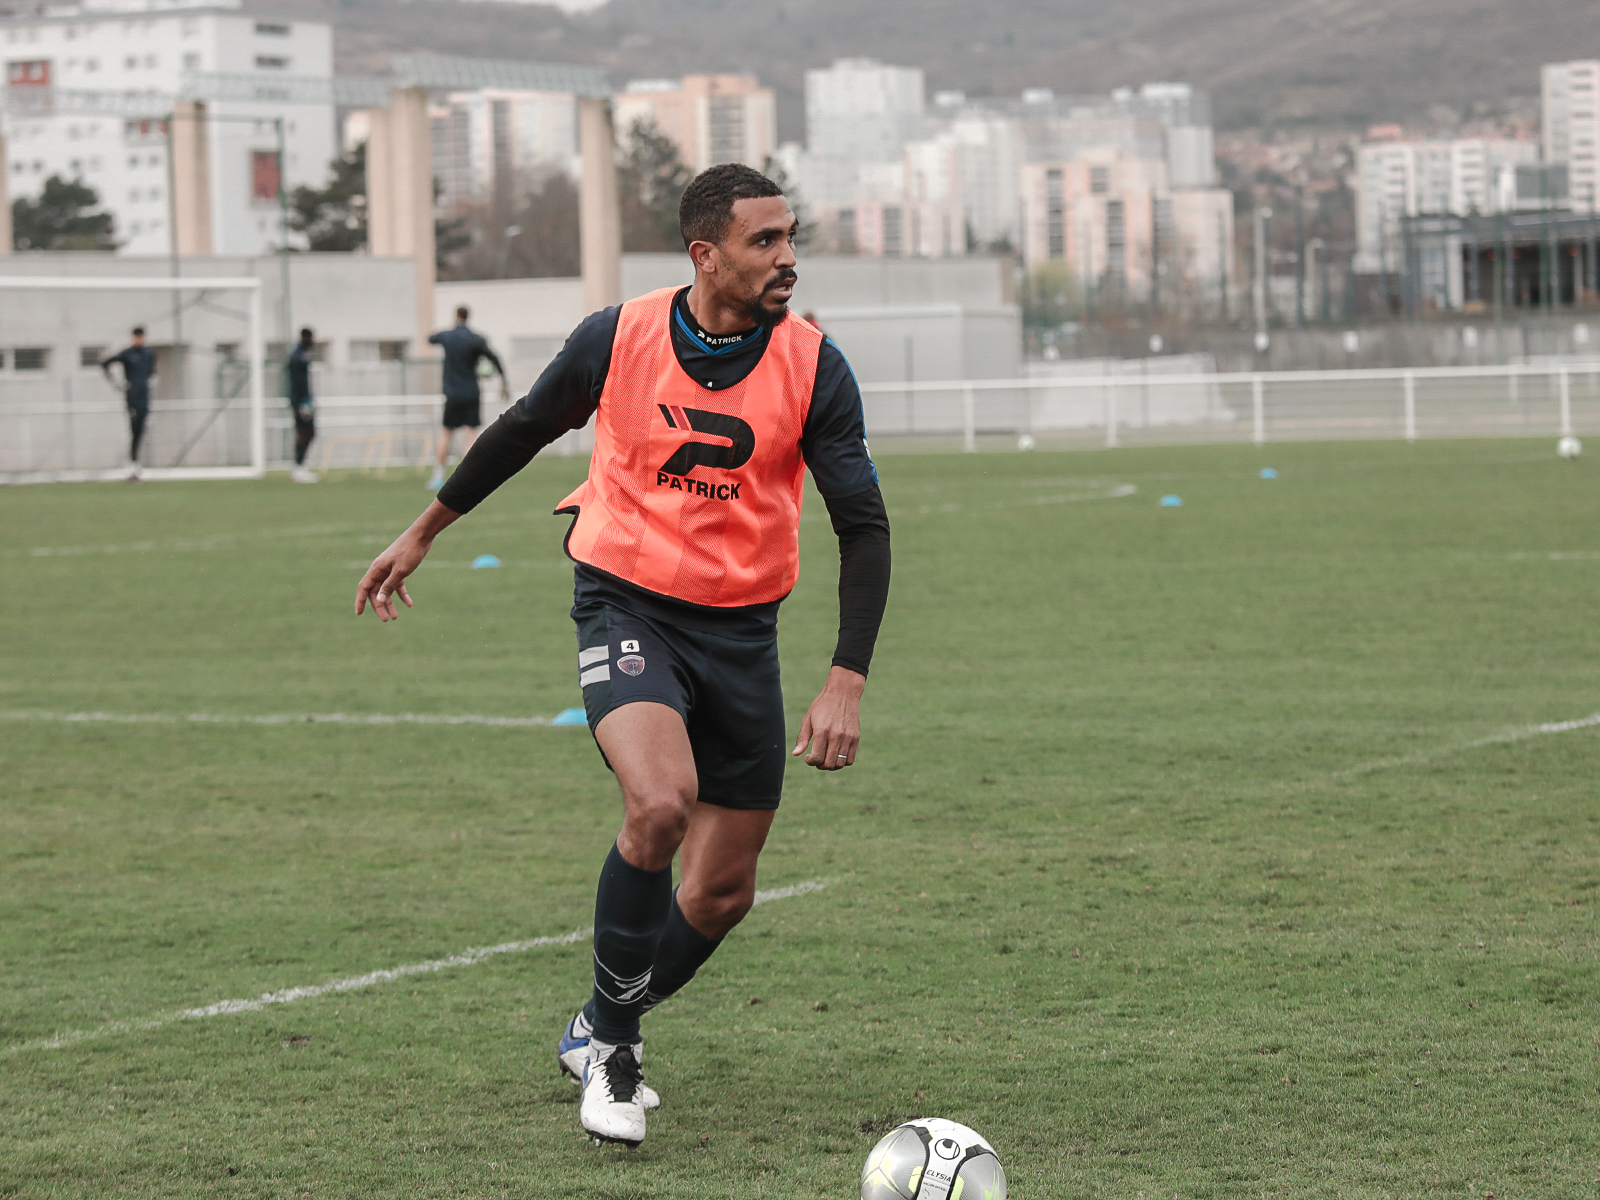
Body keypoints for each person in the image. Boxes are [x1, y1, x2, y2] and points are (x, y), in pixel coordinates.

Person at [355, 163, 891, 1148]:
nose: (788, 258)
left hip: (742, 633)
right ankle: (613, 1053)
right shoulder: (619, 335)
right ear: (706, 254)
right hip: (626, 603)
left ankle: (600, 1022)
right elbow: (521, 429)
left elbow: (863, 526)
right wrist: (424, 529)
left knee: (724, 892)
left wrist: (845, 678)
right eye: (765, 241)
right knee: (657, 804)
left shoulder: (815, 364)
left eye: (790, 237)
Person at [426, 306, 508, 490]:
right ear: (468, 317)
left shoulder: (448, 336)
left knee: (446, 433)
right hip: (471, 392)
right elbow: (494, 358)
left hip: (452, 394)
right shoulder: (476, 339)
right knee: (471, 434)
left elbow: (430, 338)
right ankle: (468, 478)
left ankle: (438, 476)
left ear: (456, 316)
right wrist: (504, 381)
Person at [101, 327, 156, 481]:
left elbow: (153, 372)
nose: (138, 340)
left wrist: (150, 383)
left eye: (140, 337)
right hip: (132, 397)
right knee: (134, 429)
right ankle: (132, 464)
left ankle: (135, 464)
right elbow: (105, 363)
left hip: (145, 397)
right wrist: (117, 384)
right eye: (136, 337)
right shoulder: (127, 354)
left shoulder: (148, 353)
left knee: (141, 429)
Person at [286, 328, 320, 484]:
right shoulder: (297, 356)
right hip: (301, 402)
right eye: (311, 338)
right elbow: (296, 383)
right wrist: (301, 403)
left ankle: (300, 468)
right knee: (305, 432)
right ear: (305, 337)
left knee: (309, 433)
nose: (312, 341)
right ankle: (298, 470)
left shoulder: (302, 354)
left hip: (305, 400)